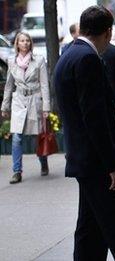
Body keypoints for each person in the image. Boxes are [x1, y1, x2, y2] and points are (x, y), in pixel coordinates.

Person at [54, 6, 115, 260]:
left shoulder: (69, 53)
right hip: (99, 165)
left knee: (90, 231)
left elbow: (84, 112)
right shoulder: (87, 58)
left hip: (85, 160)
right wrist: (114, 166)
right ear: (108, 32)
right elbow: (92, 118)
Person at [1, 32, 50, 184]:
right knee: (16, 138)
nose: (25, 43)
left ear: (30, 43)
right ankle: (17, 171)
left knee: (38, 136)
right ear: (17, 43)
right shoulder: (12, 61)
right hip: (18, 101)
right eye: (22, 41)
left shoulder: (39, 60)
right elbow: (9, 86)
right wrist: (5, 106)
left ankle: (43, 162)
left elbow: (44, 84)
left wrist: (46, 107)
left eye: (27, 40)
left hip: (34, 101)